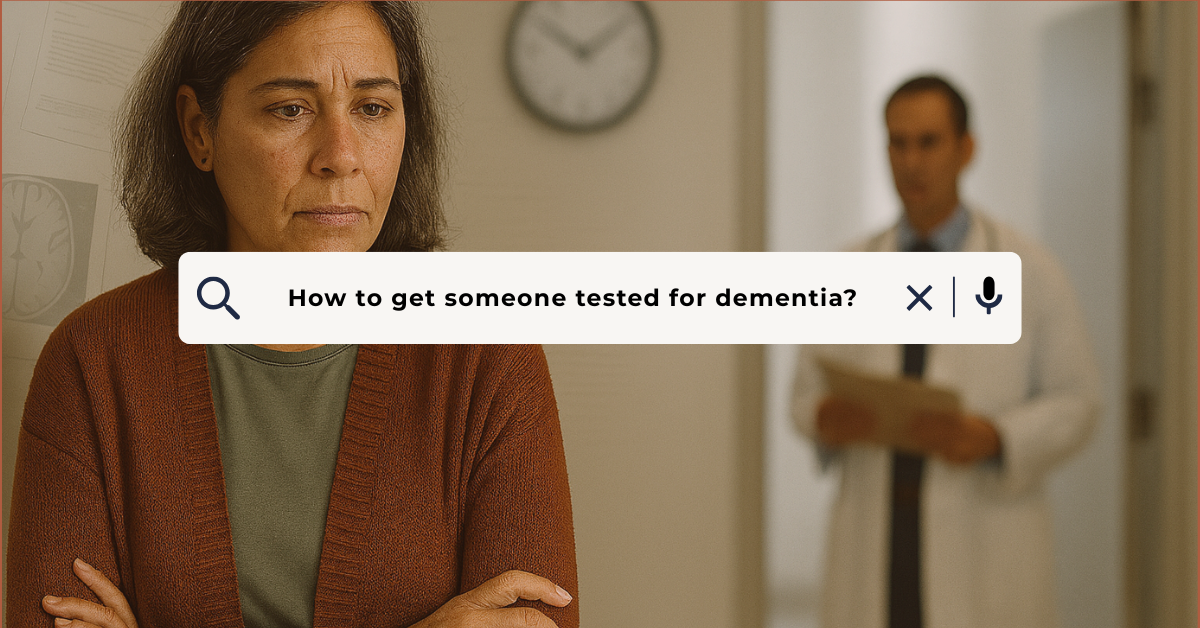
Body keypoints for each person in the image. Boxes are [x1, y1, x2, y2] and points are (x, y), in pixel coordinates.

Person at [5, 3, 577, 628]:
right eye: (290, 109)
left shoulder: (487, 355)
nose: (340, 156)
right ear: (200, 130)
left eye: (372, 108)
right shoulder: (93, 361)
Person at [791, 75, 1100, 628]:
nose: (912, 162)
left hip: (983, 534)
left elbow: (1077, 401)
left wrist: (997, 437)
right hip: (877, 529)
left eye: (928, 142)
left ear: (966, 149)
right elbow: (806, 390)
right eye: (897, 143)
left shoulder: (1030, 270)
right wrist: (824, 416)